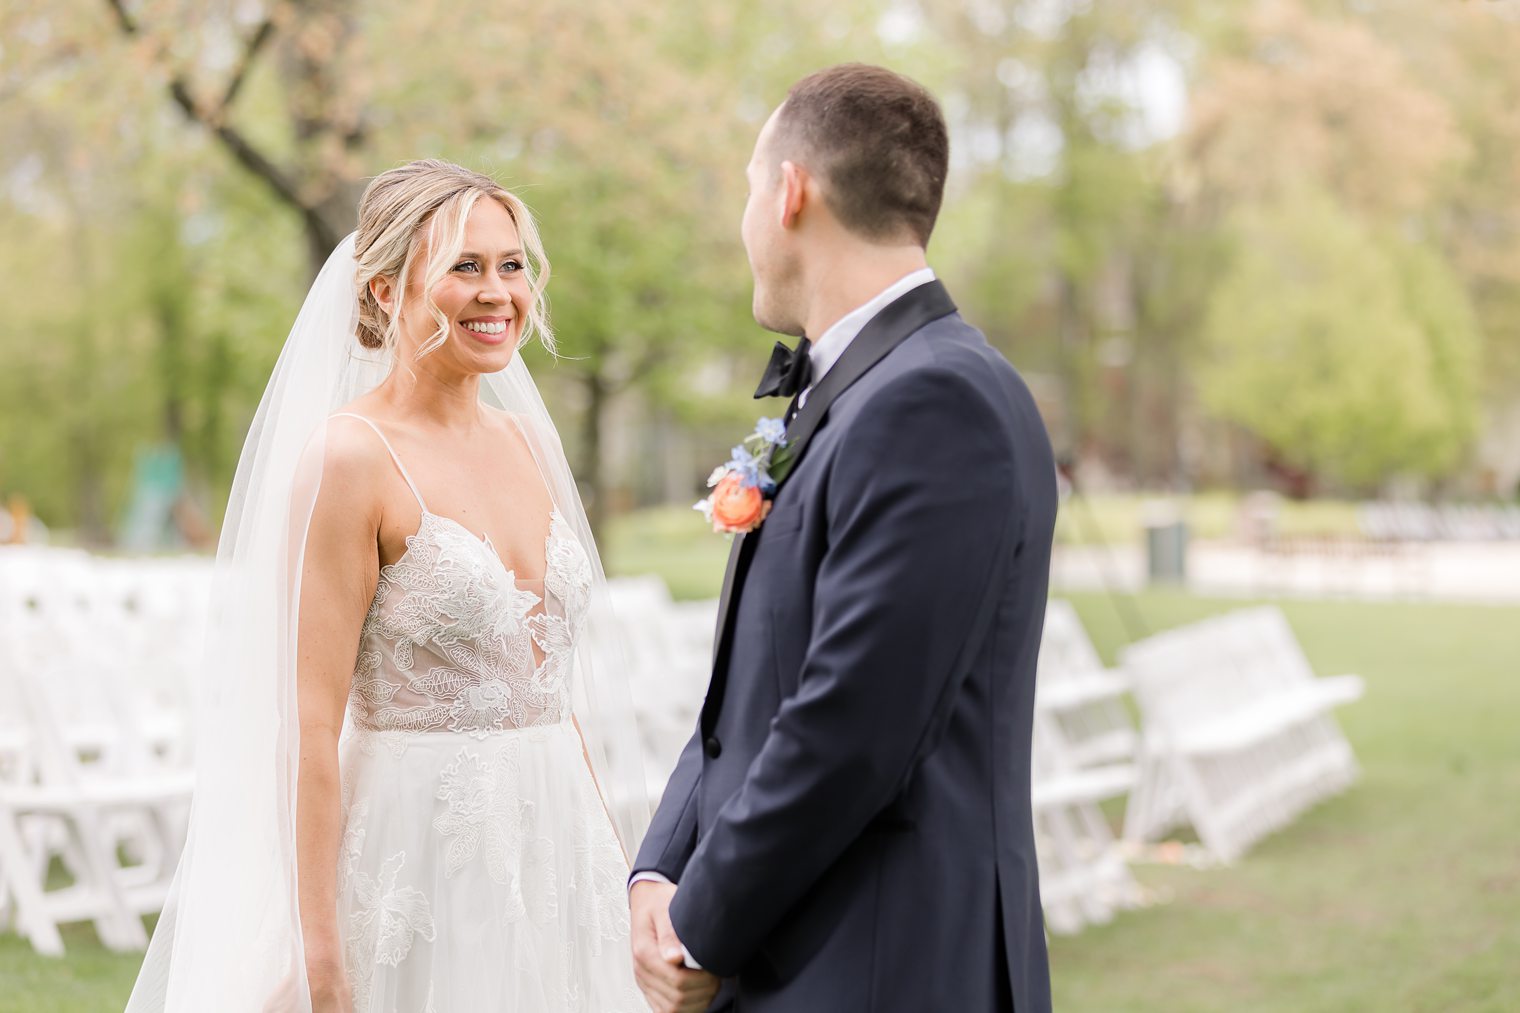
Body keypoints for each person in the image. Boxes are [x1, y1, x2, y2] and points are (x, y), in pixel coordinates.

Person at [126, 160, 648, 1012]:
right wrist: (319, 950)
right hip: (421, 863)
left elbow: (549, 686)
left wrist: (609, 863)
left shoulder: (527, 442)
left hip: (558, 850)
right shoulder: (351, 457)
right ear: (383, 289)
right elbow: (310, 727)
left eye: (511, 265)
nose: (498, 292)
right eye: (464, 268)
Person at [630, 65, 1058, 1013]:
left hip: (883, 968)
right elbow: (745, 698)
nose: (744, 218)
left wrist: (701, 921)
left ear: (790, 192)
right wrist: (657, 872)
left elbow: (851, 727)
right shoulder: (861, 390)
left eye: (749, 184)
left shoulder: (936, 400)